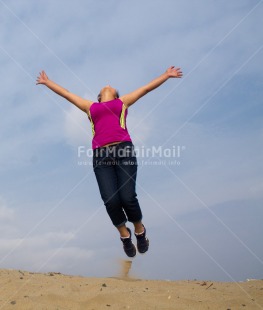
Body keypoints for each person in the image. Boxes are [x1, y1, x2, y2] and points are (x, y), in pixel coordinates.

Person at [36, 66, 183, 257]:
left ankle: (140, 231)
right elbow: (66, 94)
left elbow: (146, 88)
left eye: (111, 87)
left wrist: (166, 75)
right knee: (111, 200)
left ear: (115, 95)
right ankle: (124, 235)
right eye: (104, 87)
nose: (107, 85)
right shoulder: (91, 107)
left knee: (128, 198)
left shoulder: (122, 103)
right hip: (101, 156)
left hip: (124, 151)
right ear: (99, 97)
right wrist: (48, 83)